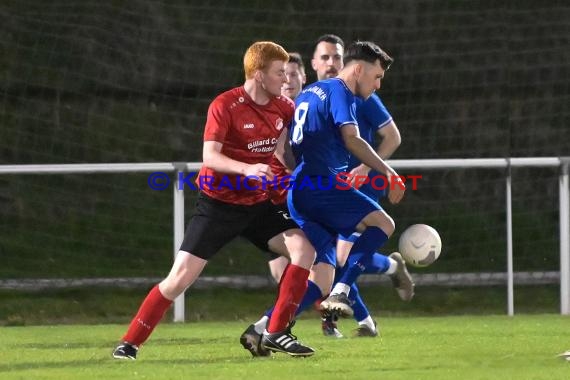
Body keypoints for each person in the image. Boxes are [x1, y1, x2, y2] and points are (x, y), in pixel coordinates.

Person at [112, 41, 316, 360]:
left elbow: (282, 150)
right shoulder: (225, 105)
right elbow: (210, 156)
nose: (286, 80)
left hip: (259, 204)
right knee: (179, 278)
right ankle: (130, 342)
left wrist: (301, 173)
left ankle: (276, 331)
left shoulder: (283, 107)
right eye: (279, 73)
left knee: (304, 248)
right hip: (218, 205)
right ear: (260, 75)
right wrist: (248, 169)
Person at [288, 41, 407, 334]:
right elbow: (352, 139)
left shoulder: (309, 94)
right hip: (324, 187)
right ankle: (355, 293)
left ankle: (268, 326)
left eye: (335, 56)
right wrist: (388, 172)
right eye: (377, 77)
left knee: (324, 273)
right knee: (381, 226)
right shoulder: (339, 91)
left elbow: (290, 146)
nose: (378, 85)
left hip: (305, 187)